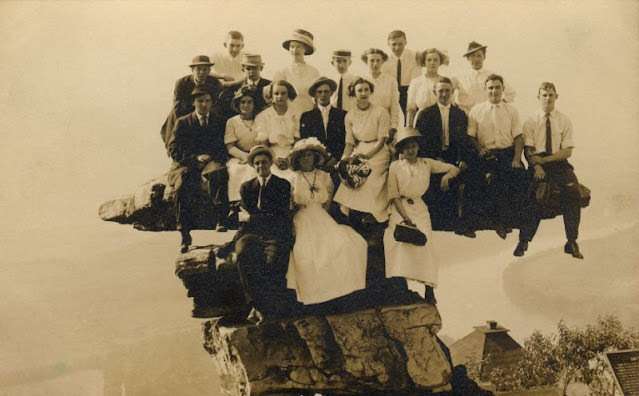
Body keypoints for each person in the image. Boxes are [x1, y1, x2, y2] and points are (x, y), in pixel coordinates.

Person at [286, 138, 368, 305]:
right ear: (298, 159)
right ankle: (316, 295)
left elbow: (327, 203)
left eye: (309, 155)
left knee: (345, 245)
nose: (306, 159)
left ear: (315, 157)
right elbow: (291, 205)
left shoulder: (324, 176)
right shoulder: (293, 177)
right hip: (302, 217)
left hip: (322, 216)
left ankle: (340, 292)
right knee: (306, 254)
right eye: (302, 156)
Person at [383, 127, 460, 303]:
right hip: (400, 209)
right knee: (397, 243)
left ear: (418, 147)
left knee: (426, 246)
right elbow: (393, 195)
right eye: (407, 147)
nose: (411, 151)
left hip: (419, 208)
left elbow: (453, 168)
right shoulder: (395, 167)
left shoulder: (427, 164)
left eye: (414, 146)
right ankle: (400, 288)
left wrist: (446, 178)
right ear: (401, 150)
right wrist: (406, 218)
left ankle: (429, 288)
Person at [514, 82, 583, 259]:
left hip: (558, 162)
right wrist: (537, 166)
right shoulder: (531, 120)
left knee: (573, 192)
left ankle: (571, 241)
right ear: (538, 97)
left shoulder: (564, 120)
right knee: (534, 195)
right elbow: (528, 149)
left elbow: (567, 151)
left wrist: (545, 160)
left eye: (551, 95)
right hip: (538, 164)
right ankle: (524, 240)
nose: (547, 98)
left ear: (556, 97)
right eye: (544, 95)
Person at [232, 145, 299, 321]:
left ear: (270, 163)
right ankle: (257, 305)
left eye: (264, 162)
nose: (261, 166)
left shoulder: (282, 185)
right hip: (252, 232)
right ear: (253, 166)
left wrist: (255, 217)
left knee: (273, 261)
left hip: (275, 232)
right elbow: (247, 216)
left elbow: (280, 215)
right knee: (243, 254)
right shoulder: (247, 187)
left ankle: (268, 308)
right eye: (257, 164)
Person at [167, 87, 229, 253]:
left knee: (219, 173)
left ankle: (221, 218)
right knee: (181, 186)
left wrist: (210, 157)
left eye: (207, 101)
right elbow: (173, 148)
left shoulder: (219, 121)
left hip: (210, 161)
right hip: (187, 163)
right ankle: (184, 232)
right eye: (200, 101)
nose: (204, 104)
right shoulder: (183, 122)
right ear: (194, 103)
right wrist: (194, 158)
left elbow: (224, 146)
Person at [414, 77, 477, 238]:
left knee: (467, 178)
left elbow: (464, 140)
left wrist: (463, 158)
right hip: (432, 156)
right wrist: (435, 158)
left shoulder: (460, 114)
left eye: (447, 90)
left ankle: (461, 223)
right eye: (440, 91)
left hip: (453, 156)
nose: (444, 94)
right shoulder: (425, 114)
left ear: (452, 92)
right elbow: (421, 141)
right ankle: (434, 224)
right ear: (435, 92)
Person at [467, 74, 528, 239]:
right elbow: (470, 136)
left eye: (497, 87)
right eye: (491, 88)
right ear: (485, 90)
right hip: (486, 155)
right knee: (492, 179)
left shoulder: (511, 110)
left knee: (520, 176)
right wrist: (479, 148)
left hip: (507, 153)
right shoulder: (476, 110)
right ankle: (498, 222)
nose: (494, 91)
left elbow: (519, 137)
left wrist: (516, 158)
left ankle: (518, 221)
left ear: (503, 89)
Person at [333, 77, 392, 223]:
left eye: (366, 89)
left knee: (369, 178)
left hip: (378, 152)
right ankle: (353, 217)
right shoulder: (350, 115)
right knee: (349, 175)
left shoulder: (381, 112)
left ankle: (371, 215)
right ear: (354, 93)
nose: (363, 93)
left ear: (370, 91)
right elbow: (349, 142)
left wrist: (367, 155)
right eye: (360, 90)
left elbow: (381, 140)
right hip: (359, 149)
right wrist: (343, 160)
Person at [160, 55, 223, 147]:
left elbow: (216, 106)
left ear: (209, 71)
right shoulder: (181, 83)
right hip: (181, 119)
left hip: (204, 116)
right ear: (192, 70)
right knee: (178, 147)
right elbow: (178, 108)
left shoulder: (215, 84)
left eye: (205, 69)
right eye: (198, 69)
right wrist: (189, 125)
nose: (201, 72)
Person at [407, 48, 466, 127]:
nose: (432, 63)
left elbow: (451, 105)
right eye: (429, 60)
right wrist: (409, 128)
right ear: (424, 62)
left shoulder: (446, 81)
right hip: (422, 121)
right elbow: (411, 109)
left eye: (435, 60)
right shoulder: (416, 82)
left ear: (440, 62)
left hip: (442, 121)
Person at [254, 80, 300, 181]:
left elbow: (297, 141)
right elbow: (264, 143)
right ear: (271, 95)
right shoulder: (263, 116)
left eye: (283, 93)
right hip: (270, 153)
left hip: (292, 153)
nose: (280, 96)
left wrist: (289, 158)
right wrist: (273, 159)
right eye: (276, 93)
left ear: (288, 94)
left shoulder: (296, 115)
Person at [300, 76, 347, 172]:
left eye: (326, 91)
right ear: (315, 95)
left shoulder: (342, 115)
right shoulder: (307, 116)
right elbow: (306, 141)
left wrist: (335, 158)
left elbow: (344, 140)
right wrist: (318, 160)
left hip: (338, 162)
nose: (323, 95)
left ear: (331, 93)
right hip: (316, 164)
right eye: (319, 92)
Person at [456, 41, 516, 114]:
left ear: (484, 57)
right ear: (468, 58)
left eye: (479, 56)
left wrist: (497, 104)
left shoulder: (492, 76)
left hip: (486, 116)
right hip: (465, 116)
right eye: (473, 56)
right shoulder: (459, 76)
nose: (476, 59)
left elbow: (511, 94)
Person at [224, 86, 261, 203]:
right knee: (236, 170)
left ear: (255, 104)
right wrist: (245, 156)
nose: (246, 105)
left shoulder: (262, 119)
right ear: (237, 104)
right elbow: (230, 147)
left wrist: (254, 156)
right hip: (239, 157)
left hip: (259, 154)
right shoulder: (232, 122)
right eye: (243, 102)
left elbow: (265, 142)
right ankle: (238, 204)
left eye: (250, 102)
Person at [273, 29, 320, 116]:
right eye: (292, 46)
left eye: (299, 46)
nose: (295, 50)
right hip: (288, 113)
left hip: (308, 111)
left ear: (305, 48)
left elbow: (317, 96)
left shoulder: (314, 72)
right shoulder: (282, 71)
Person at [217, 53, 272, 121]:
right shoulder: (235, 87)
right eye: (248, 69)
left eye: (255, 68)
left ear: (261, 68)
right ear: (243, 69)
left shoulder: (270, 85)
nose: (251, 72)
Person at [380, 30, 422, 118]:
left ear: (405, 43)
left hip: (408, 90)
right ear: (388, 44)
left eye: (400, 44)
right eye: (394, 44)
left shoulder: (414, 56)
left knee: (411, 117)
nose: (397, 47)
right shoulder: (384, 59)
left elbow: (416, 80)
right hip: (391, 90)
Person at [362, 48, 403, 136]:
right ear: (366, 61)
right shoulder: (361, 80)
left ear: (382, 61)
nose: (375, 64)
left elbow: (394, 105)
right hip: (365, 123)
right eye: (372, 60)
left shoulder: (391, 81)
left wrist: (393, 127)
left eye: (378, 60)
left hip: (385, 123)